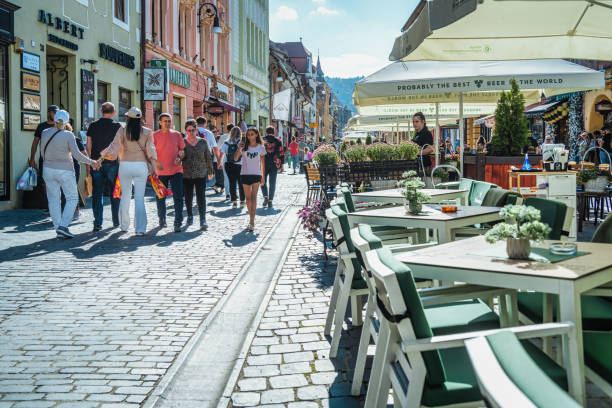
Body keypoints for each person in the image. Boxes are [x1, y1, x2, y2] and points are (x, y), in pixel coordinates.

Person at [40, 110, 99, 238]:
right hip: (65, 170)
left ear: (54, 120)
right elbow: (77, 155)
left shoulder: (44, 133)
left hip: (48, 169)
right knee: (72, 198)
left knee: (53, 199)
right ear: (67, 122)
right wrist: (91, 162)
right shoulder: (68, 135)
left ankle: (58, 228)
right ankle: (63, 226)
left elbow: (42, 154)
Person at [99, 107, 157, 236]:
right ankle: (140, 228)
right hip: (141, 166)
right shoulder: (147, 132)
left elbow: (113, 147)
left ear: (128, 118)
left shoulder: (122, 131)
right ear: (140, 118)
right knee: (139, 198)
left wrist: (101, 157)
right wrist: (154, 168)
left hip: (125, 166)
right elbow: (151, 151)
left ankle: (124, 225)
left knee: (125, 196)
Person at [86, 102, 121, 231]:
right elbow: (120, 146)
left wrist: (90, 161)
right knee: (114, 193)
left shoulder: (93, 125)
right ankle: (116, 221)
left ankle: (97, 223)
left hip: (96, 163)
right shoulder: (117, 126)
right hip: (112, 163)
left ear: (101, 111)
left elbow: (88, 145)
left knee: (97, 193)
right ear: (114, 112)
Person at [154, 113, 185, 233]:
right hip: (160, 172)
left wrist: (180, 158)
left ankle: (178, 223)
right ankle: (162, 218)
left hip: (176, 170)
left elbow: (182, 150)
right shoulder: (154, 135)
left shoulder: (177, 135)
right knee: (160, 197)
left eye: (169, 121)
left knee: (178, 198)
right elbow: (150, 153)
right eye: (165, 121)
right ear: (160, 122)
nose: (167, 123)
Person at [182, 119, 214, 231]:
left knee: (201, 197)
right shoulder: (183, 143)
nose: (191, 132)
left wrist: (210, 171)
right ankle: (190, 216)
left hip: (201, 173)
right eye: (188, 130)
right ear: (186, 131)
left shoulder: (203, 142)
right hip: (187, 174)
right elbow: (180, 156)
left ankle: (203, 219)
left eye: (193, 130)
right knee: (188, 197)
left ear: (196, 130)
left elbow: (208, 158)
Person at [236, 127, 266, 231]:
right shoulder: (244, 147)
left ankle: (252, 221)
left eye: (252, 134)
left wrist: (263, 176)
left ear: (256, 135)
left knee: (254, 198)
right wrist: (238, 148)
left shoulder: (260, 148)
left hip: (256, 174)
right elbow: (235, 159)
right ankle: (251, 218)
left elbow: (262, 163)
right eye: (248, 134)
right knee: (248, 199)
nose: (250, 136)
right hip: (245, 174)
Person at [196, 116, 221, 190]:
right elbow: (215, 148)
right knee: (203, 176)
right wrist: (219, 160)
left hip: (193, 156)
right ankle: (201, 190)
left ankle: (196, 189)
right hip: (206, 156)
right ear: (205, 123)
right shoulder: (209, 133)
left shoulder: (191, 131)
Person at [223, 127, 246, 208]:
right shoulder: (241, 142)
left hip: (228, 164)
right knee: (241, 183)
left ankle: (234, 202)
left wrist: (219, 162)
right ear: (240, 133)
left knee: (232, 183)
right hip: (239, 164)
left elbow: (223, 153)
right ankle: (242, 201)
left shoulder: (226, 142)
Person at [261, 126, 284, 208]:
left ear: (266, 132)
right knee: (272, 182)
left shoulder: (262, 140)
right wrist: (282, 165)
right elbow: (281, 152)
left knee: (262, 181)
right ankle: (270, 201)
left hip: (264, 163)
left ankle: (265, 196)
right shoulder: (278, 140)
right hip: (275, 163)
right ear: (274, 132)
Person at [219, 124, 233, 200]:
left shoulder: (223, 137)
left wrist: (219, 161)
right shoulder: (238, 138)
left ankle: (227, 194)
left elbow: (219, 148)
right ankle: (233, 193)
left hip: (225, 160)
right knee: (235, 178)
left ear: (227, 129)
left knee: (226, 177)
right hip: (236, 161)